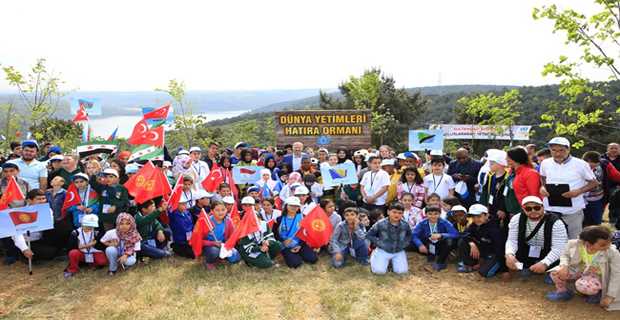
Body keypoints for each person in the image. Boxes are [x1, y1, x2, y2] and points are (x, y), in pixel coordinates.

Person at [547, 226, 620, 311]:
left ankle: (597, 294)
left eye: (610, 242)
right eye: (603, 245)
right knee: (556, 272)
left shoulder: (612, 253)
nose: (608, 246)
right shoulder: (574, 244)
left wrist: (610, 296)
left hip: (598, 277)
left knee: (585, 286)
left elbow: (616, 274)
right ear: (588, 244)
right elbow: (565, 255)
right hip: (580, 271)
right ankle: (563, 291)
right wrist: (564, 266)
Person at [539, 137, 598, 239]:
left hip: (573, 211)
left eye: (561, 150)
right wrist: (543, 188)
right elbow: (543, 177)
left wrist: (578, 191)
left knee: (573, 241)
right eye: (554, 150)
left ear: (568, 149)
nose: (557, 154)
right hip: (550, 209)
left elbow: (594, 183)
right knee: (551, 240)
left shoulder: (580, 164)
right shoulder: (545, 163)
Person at [505, 196, 568, 280]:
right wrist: (509, 255)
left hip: (548, 250)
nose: (533, 211)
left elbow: (559, 248)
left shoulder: (556, 222)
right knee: (514, 258)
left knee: (557, 265)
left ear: (543, 207)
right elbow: (512, 240)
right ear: (523, 209)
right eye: (528, 209)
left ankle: (549, 269)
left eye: (537, 208)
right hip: (527, 250)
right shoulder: (516, 219)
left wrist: (545, 263)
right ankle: (527, 266)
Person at [457, 204, 505, 277]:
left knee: (484, 273)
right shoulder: (474, 224)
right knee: (463, 242)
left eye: (479, 216)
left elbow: (500, 248)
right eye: (473, 217)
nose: (476, 219)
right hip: (483, 252)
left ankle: (494, 266)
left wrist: (504, 270)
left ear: (486, 215)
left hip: (494, 254)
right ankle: (470, 264)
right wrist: (471, 243)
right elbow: (464, 234)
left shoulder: (495, 228)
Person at [273, 197, 318, 268]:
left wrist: (300, 245)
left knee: (313, 259)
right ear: (286, 206)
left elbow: (305, 233)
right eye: (291, 205)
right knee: (295, 264)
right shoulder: (279, 219)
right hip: (285, 245)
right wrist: (283, 241)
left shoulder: (302, 217)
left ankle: (300, 253)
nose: (294, 207)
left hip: (300, 243)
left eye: (296, 206)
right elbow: (275, 233)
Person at [367, 202, 411, 275]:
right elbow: (369, 235)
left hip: (398, 250)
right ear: (388, 212)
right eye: (394, 212)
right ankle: (374, 256)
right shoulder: (380, 224)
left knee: (401, 272)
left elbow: (409, 235)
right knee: (379, 272)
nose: (396, 215)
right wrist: (379, 243)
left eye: (400, 213)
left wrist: (404, 244)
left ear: (403, 214)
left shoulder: (405, 225)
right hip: (383, 249)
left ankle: (391, 262)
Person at [412, 205, 459, 271]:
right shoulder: (422, 223)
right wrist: (420, 245)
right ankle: (431, 256)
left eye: (436, 214)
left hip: (441, 244)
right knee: (411, 243)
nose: (433, 216)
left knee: (450, 241)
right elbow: (414, 235)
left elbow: (455, 234)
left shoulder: (444, 222)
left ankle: (441, 262)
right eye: (430, 214)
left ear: (440, 214)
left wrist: (441, 235)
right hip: (428, 244)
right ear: (426, 214)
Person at [582, 151, 620, 226]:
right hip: (580, 199)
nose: (593, 168)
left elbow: (616, 175)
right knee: (581, 222)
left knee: (596, 222)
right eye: (591, 166)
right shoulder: (577, 166)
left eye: (596, 165)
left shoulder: (604, 164)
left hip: (597, 199)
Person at [199, 201, 241, 270]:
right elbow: (200, 240)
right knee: (214, 252)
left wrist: (228, 245)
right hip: (209, 246)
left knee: (237, 258)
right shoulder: (207, 221)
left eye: (223, 210)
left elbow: (232, 236)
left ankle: (221, 257)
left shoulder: (228, 221)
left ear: (226, 210)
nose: (220, 212)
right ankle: (209, 262)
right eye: (217, 210)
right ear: (212, 211)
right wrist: (213, 243)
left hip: (223, 245)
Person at [63, 214, 107, 278]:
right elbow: (72, 247)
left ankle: (89, 263)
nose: (90, 228)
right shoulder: (75, 233)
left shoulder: (96, 232)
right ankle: (72, 269)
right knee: (73, 253)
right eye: (88, 226)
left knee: (102, 261)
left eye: (91, 226)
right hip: (81, 253)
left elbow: (100, 243)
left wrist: (94, 242)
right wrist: (89, 245)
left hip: (92, 252)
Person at [168, 194, 195, 259]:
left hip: (190, 239)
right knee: (191, 254)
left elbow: (191, 224)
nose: (185, 206)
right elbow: (169, 212)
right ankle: (174, 247)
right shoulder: (174, 214)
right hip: (180, 241)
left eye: (185, 204)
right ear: (176, 205)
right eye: (182, 204)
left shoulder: (187, 213)